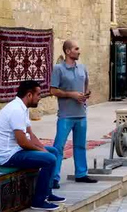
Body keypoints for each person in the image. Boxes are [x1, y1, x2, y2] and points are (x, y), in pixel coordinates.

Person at [0, 80, 66, 211]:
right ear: (29, 95)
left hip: (17, 150)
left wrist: (43, 149)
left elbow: (30, 135)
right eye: (38, 95)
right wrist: (43, 152)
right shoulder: (16, 110)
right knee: (49, 159)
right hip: (9, 155)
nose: (40, 98)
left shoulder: (23, 108)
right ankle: (38, 201)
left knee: (53, 152)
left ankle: (47, 194)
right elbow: (23, 142)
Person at [50, 40, 97, 187]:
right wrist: (72, 95)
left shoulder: (82, 68)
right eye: (76, 49)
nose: (79, 51)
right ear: (68, 51)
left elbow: (85, 85)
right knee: (59, 146)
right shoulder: (58, 69)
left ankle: (81, 174)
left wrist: (85, 94)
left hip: (81, 113)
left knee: (80, 145)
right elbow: (53, 90)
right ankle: (53, 178)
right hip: (65, 115)